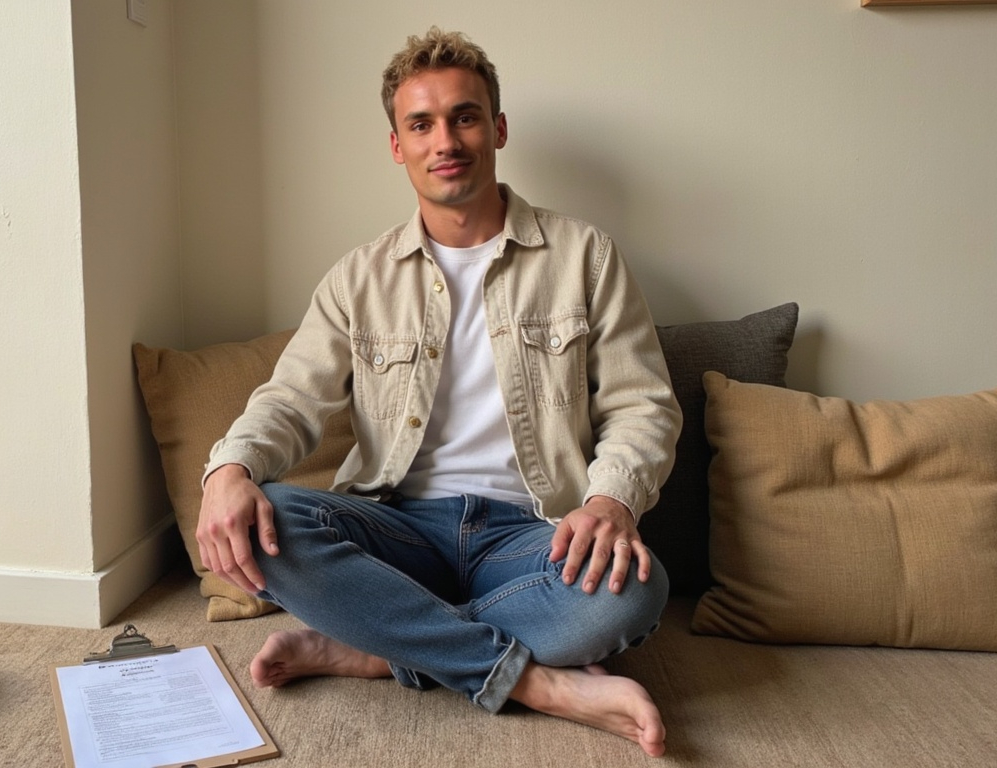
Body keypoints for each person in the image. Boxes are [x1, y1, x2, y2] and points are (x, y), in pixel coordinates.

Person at [196, 27, 682, 758]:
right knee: (273, 523)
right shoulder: (358, 278)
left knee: (635, 589)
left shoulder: (586, 256)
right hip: (398, 529)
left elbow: (642, 406)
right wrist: (227, 470)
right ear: (398, 145)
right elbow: (290, 401)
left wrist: (610, 502)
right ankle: (533, 683)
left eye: (465, 117)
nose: (445, 140)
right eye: (421, 124)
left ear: (498, 128)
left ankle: (379, 644)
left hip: (535, 532)